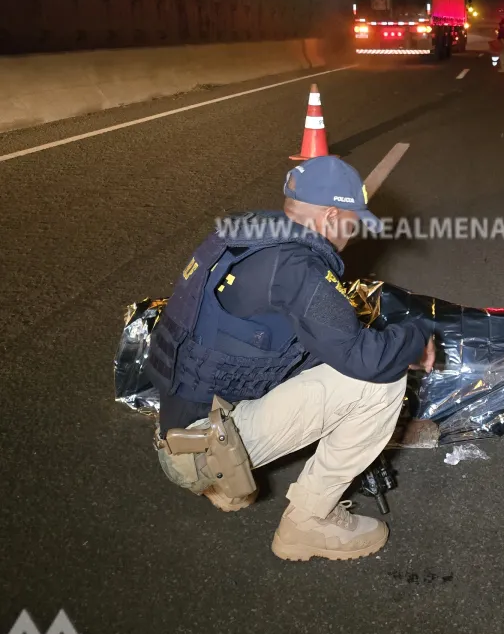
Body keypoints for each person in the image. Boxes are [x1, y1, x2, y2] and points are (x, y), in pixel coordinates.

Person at [147, 155, 435, 562]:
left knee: (329, 350)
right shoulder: (297, 268)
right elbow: (364, 360)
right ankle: (307, 524)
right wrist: (416, 336)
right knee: (379, 382)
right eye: (353, 221)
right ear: (332, 215)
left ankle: (223, 481)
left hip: (179, 425)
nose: (353, 233)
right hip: (200, 449)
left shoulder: (245, 236)